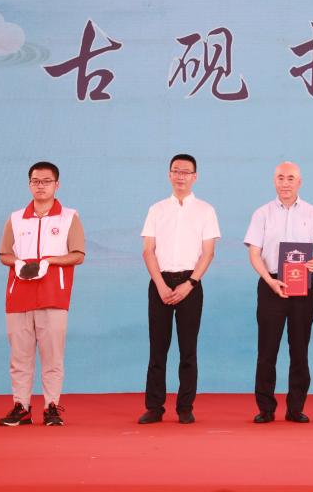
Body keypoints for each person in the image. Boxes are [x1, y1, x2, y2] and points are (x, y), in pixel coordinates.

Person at [0, 161, 86, 427]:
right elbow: (4, 254)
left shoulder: (69, 217)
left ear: (57, 185)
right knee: (20, 357)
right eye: (35, 181)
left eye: (46, 181)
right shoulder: (15, 218)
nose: (40, 186)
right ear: (29, 184)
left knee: (52, 356)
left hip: (53, 295)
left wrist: (49, 261)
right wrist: (18, 263)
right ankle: (21, 406)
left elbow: (78, 255)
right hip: (19, 295)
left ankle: (51, 407)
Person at [244, 162, 313, 424]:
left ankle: (296, 408)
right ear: (274, 181)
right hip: (271, 284)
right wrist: (269, 281)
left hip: (302, 286)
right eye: (281, 178)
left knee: (300, 348)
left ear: (299, 182)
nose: (285, 183)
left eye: (290, 178)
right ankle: (266, 408)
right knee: (267, 349)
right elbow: (254, 253)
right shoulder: (262, 214)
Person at [137, 154, 220, 425]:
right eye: (176, 171)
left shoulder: (205, 210)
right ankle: (154, 407)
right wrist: (160, 285)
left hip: (190, 284)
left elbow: (208, 253)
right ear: (169, 174)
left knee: (188, 349)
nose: (180, 176)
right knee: (157, 349)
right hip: (160, 283)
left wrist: (190, 283)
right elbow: (148, 250)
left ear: (195, 176)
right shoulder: (157, 209)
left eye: (186, 172)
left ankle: (185, 407)